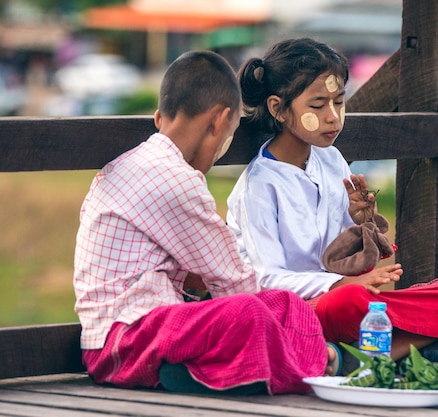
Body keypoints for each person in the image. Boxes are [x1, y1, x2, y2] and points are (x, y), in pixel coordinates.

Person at [73, 50, 340, 397]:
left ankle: (222, 370)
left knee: (286, 303)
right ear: (219, 121)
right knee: (248, 311)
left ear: (160, 117)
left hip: (152, 327)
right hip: (124, 340)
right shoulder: (175, 179)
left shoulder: (138, 162)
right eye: (226, 139)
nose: (220, 152)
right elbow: (234, 284)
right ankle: (313, 364)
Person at [226, 38, 438, 371]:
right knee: (352, 301)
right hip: (295, 310)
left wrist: (360, 224)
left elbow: (349, 263)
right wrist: (338, 285)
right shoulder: (259, 185)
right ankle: (405, 347)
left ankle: (362, 352)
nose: (333, 117)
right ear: (278, 108)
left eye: (339, 101)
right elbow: (266, 277)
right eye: (318, 105)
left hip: (345, 299)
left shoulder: (331, 160)